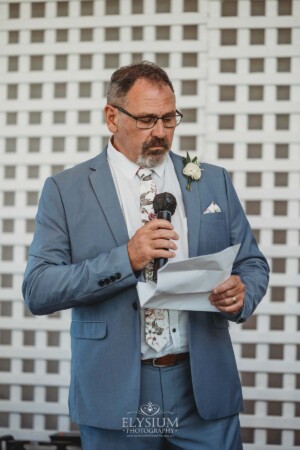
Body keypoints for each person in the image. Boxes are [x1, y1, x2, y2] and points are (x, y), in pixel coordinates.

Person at [23, 61, 269, 450]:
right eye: (146, 119)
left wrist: (242, 292)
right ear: (111, 117)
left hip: (202, 388)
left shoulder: (211, 180)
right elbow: (38, 289)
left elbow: (252, 263)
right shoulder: (65, 190)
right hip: (115, 392)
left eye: (169, 119)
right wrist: (126, 258)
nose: (160, 132)